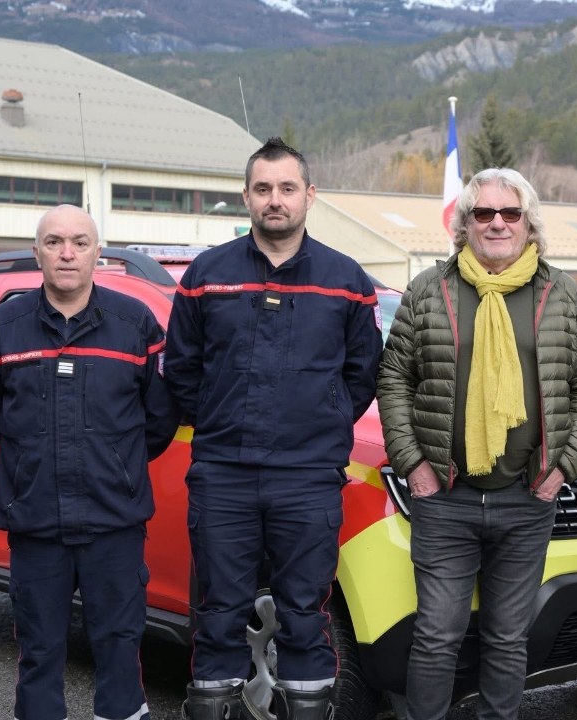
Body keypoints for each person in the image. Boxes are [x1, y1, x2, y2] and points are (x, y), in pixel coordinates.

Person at [377, 167, 577, 720]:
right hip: (446, 499)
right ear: (465, 224)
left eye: (510, 213)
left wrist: (563, 467)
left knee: (509, 638)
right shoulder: (428, 291)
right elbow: (394, 381)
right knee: (437, 636)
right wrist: (415, 466)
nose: (498, 223)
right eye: (485, 213)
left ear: (529, 224)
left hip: (526, 500)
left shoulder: (562, 294)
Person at [164, 137, 383, 720]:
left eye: (287, 189)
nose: (275, 200)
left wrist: (324, 418)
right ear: (246, 197)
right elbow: (181, 371)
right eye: (263, 189)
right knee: (218, 616)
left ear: (309, 196)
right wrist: (216, 414)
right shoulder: (207, 275)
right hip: (223, 478)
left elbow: (363, 373)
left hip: (308, 479)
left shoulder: (347, 281)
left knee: (305, 619)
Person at [0, 205, 179, 720]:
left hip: (114, 520)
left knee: (118, 648)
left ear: (97, 253)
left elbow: (158, 419)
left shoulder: (136, 324)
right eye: (55, 242)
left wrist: (115, 463)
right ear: (38, 251)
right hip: (36, 521)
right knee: (39, 652)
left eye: (80, 242)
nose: (68, 253)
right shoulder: (5, 325)